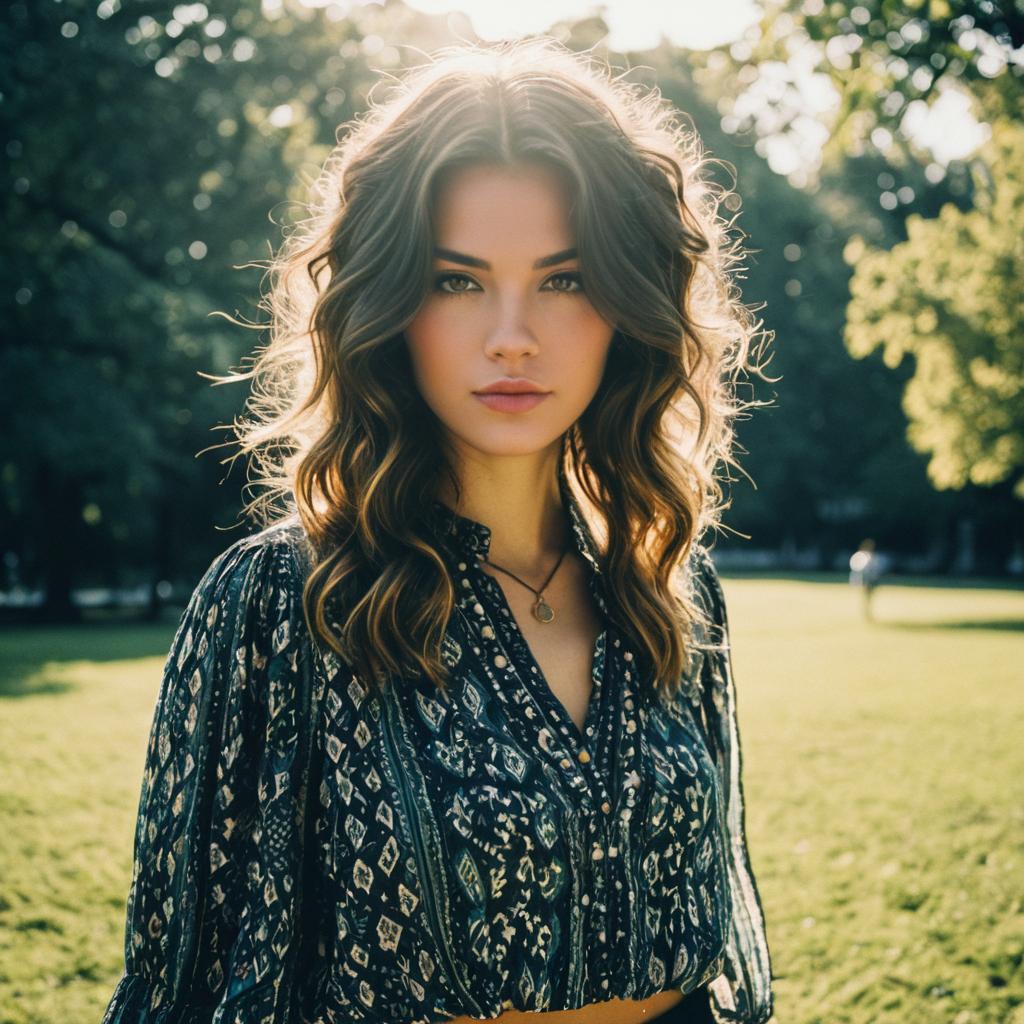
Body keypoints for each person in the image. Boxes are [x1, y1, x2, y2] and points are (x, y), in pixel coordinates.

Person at [101, 37, 775, 1024]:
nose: (512, 333)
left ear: (628, 304)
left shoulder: (667, 589)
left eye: (565, 278)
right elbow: (179, 983)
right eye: (458, 281)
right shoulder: (283, 603)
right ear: (391, 301)